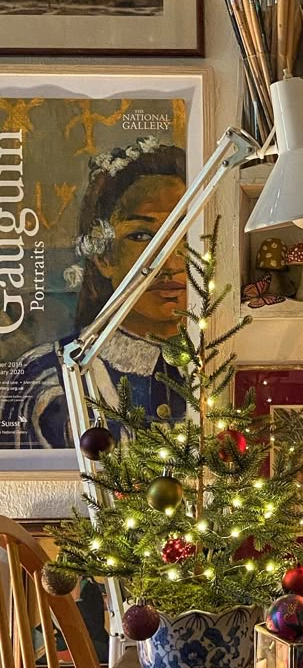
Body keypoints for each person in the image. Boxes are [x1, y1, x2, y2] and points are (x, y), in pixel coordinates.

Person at [0, 138, 188, 449]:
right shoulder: (47, 377)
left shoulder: (214, 369)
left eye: (183, 233)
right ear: (102, 256)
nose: (169, 262)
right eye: (141, 236)